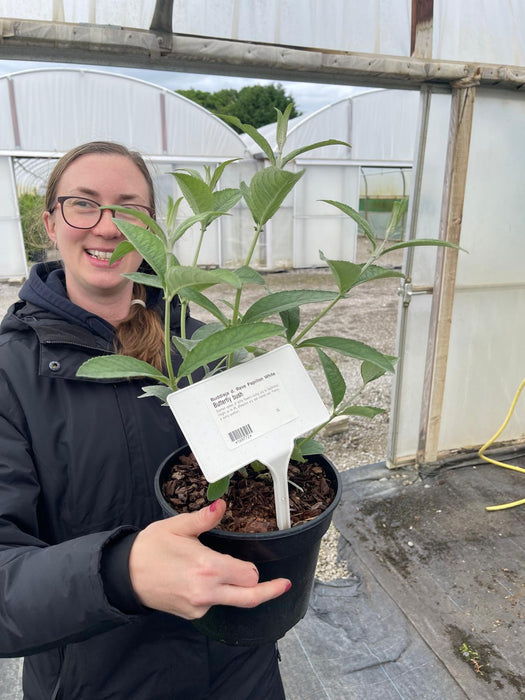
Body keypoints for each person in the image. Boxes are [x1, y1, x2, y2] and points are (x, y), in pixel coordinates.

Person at [0, 141, 290, 699]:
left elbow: (256, 472)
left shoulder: (204, 345)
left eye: (129, 209)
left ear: (155, 229)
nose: (107, 227)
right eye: (83, 204)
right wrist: (120, 571)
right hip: (101, 681)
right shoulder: (12, 374)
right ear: (50, 222)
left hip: (237, 666)